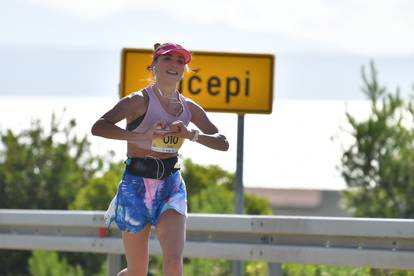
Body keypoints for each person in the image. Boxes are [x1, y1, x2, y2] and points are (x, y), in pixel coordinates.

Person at [91, 42, 229, 276]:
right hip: (136, 186)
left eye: (180, 61)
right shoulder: (138, 101)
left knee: (174, 263)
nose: (174, 64)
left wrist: (191, 134)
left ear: (184, 70)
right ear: (153, 65)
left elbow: (222, 141)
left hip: (171, 185)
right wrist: (140, 135)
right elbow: (99, 127)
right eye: (167, 59)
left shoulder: (189, 108)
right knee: (137, 271)